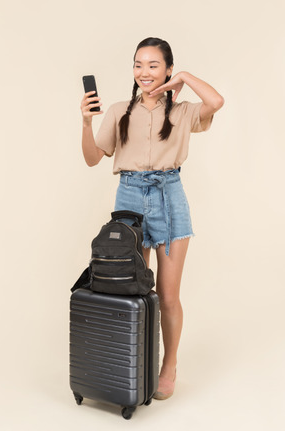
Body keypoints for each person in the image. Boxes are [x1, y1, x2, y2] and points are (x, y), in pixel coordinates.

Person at [80, 37, 224, 400]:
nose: (144, 72)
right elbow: (92, 158)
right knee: (135, 287)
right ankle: (136, 360)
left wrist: (186, 76)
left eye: (154, 65)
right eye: (138, 65)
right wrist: (85, 122)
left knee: (169, 295)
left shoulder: (183, 111)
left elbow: (216, 102)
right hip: (129, 199)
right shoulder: (117, 111)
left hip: (169, 198)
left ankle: (169, 366)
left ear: (168, 69)